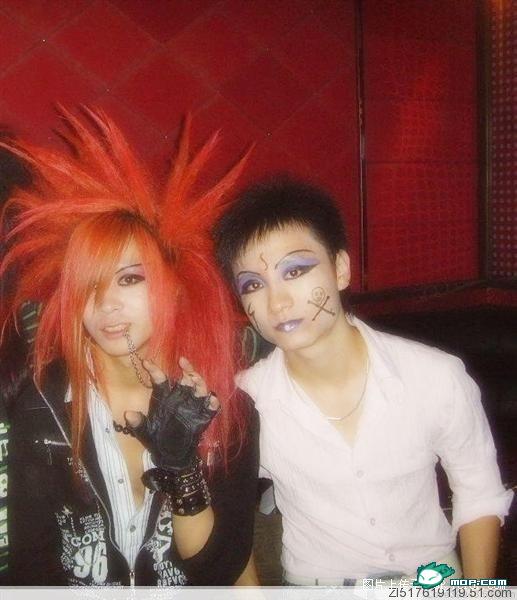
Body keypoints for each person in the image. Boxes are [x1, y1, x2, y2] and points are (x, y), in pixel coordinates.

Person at [0, 109, 259, 586]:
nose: (107, 305)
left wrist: (182, 468)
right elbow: (30, 570)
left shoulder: (229, 412)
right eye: (88, 287)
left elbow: (218, 572)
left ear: (174, 286)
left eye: (130, 279)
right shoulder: (42, 407)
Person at [213, 176, 513, 585]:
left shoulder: (434, 376)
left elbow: (479, 494)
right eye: (253, 284)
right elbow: (226, 522)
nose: (277, 302)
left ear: (340, 269)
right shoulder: (246, 402)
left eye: (295, 271)